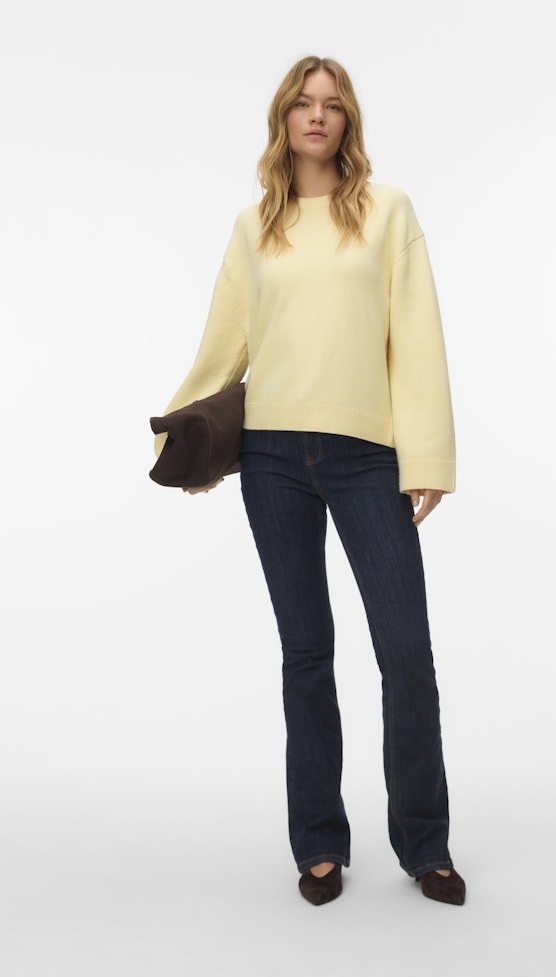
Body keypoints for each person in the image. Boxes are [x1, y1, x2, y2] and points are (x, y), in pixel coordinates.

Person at [153, 55, 465, 907]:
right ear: (283, 120)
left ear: (347, 120)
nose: (317, 116)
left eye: (331, 104)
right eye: (303, 103)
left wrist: (427, 459)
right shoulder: (255, 226)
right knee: (307, 654)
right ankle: (319, 843)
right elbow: (224, 345)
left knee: (407, 654)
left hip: (368, 456)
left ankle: (425, 844)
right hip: (273, 459)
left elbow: (417, 336)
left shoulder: (388, 212)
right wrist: (185, 446)